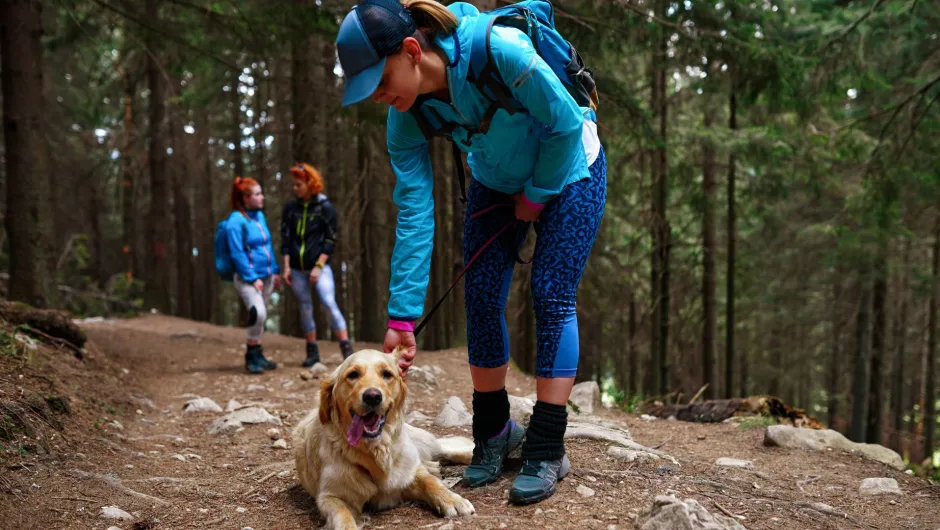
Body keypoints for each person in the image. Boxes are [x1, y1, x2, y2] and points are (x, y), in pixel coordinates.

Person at [335, 0, 606, 506]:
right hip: (495, 180)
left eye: (379, 78)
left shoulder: (500, 51)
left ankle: (546, 446)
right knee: (480, 297)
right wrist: (402, 315)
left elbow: (566, 126)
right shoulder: (406, 117)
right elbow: (414, 212)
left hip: (571, 167)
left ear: (412, 51)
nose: (376, 95)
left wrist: (535, 197)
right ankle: (494, 433)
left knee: (551, 294)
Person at [280, 163, 355, 365]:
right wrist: (286, 267)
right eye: (294, 185)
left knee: (329, 303)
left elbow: (331, 240)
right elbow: (285, 239)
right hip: (296, 269)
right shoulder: (290, 209)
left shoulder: (325, 208)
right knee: (305, 307)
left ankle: (346, 348)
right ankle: (312, 352)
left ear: (310, 183)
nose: (295, 188)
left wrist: (319, 267)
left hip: (320, 268)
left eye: (298, 185)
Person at [226, 177, 281, 374]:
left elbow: (267, 246)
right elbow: (237, 253)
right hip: (247, 279)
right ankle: (250, 356)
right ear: (245, 198)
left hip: (266, 276)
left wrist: (274, 271)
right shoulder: (235, 221)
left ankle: (258, 353)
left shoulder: (259, 217)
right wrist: (251, 277)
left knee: (261, 316)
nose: (262, 197)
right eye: (257, 194)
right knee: (258, 312)